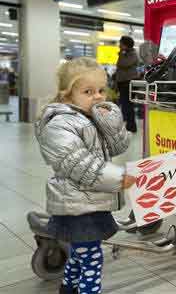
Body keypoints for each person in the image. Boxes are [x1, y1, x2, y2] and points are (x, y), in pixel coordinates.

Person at [35, 57, 136, 294]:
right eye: (88, 91)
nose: (98, 96)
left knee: (81, 256)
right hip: (75, 207)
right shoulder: (59, 124)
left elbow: (117, 147)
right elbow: (79, 163)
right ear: (67, 95)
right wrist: (118, 177)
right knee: (92, 259)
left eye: (101, 90)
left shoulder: (89, 117)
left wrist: (112, 125)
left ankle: (68, 288)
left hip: (89, 202)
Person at [116, 36, 139, 132]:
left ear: (125, 44)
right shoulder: (126, 53)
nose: (119, 45)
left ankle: (132, 126)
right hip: (123, 83)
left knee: (128, 105)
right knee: (126, 105)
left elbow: (123, 64)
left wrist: (121, 53)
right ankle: (129, 125)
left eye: (121, 43)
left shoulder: (132, 54)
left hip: (128, 83)